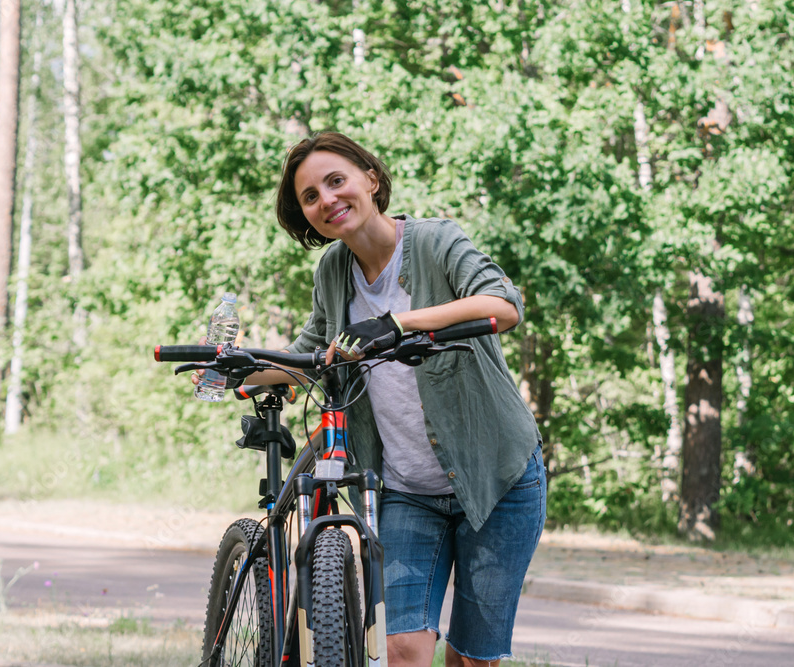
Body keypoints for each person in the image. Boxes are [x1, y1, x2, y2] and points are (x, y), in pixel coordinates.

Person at [200, 131, 545, 667]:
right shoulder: (333, 271)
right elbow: (312, 351)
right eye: (310, 196)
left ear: (371, 180)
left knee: (473, 659)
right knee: (404, 650)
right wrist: (237, 370)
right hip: (407, 489)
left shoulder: (434, 242)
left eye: (336, 181)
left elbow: (502, 305)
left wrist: (397, 323)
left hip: (498, 477)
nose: (326, 200)